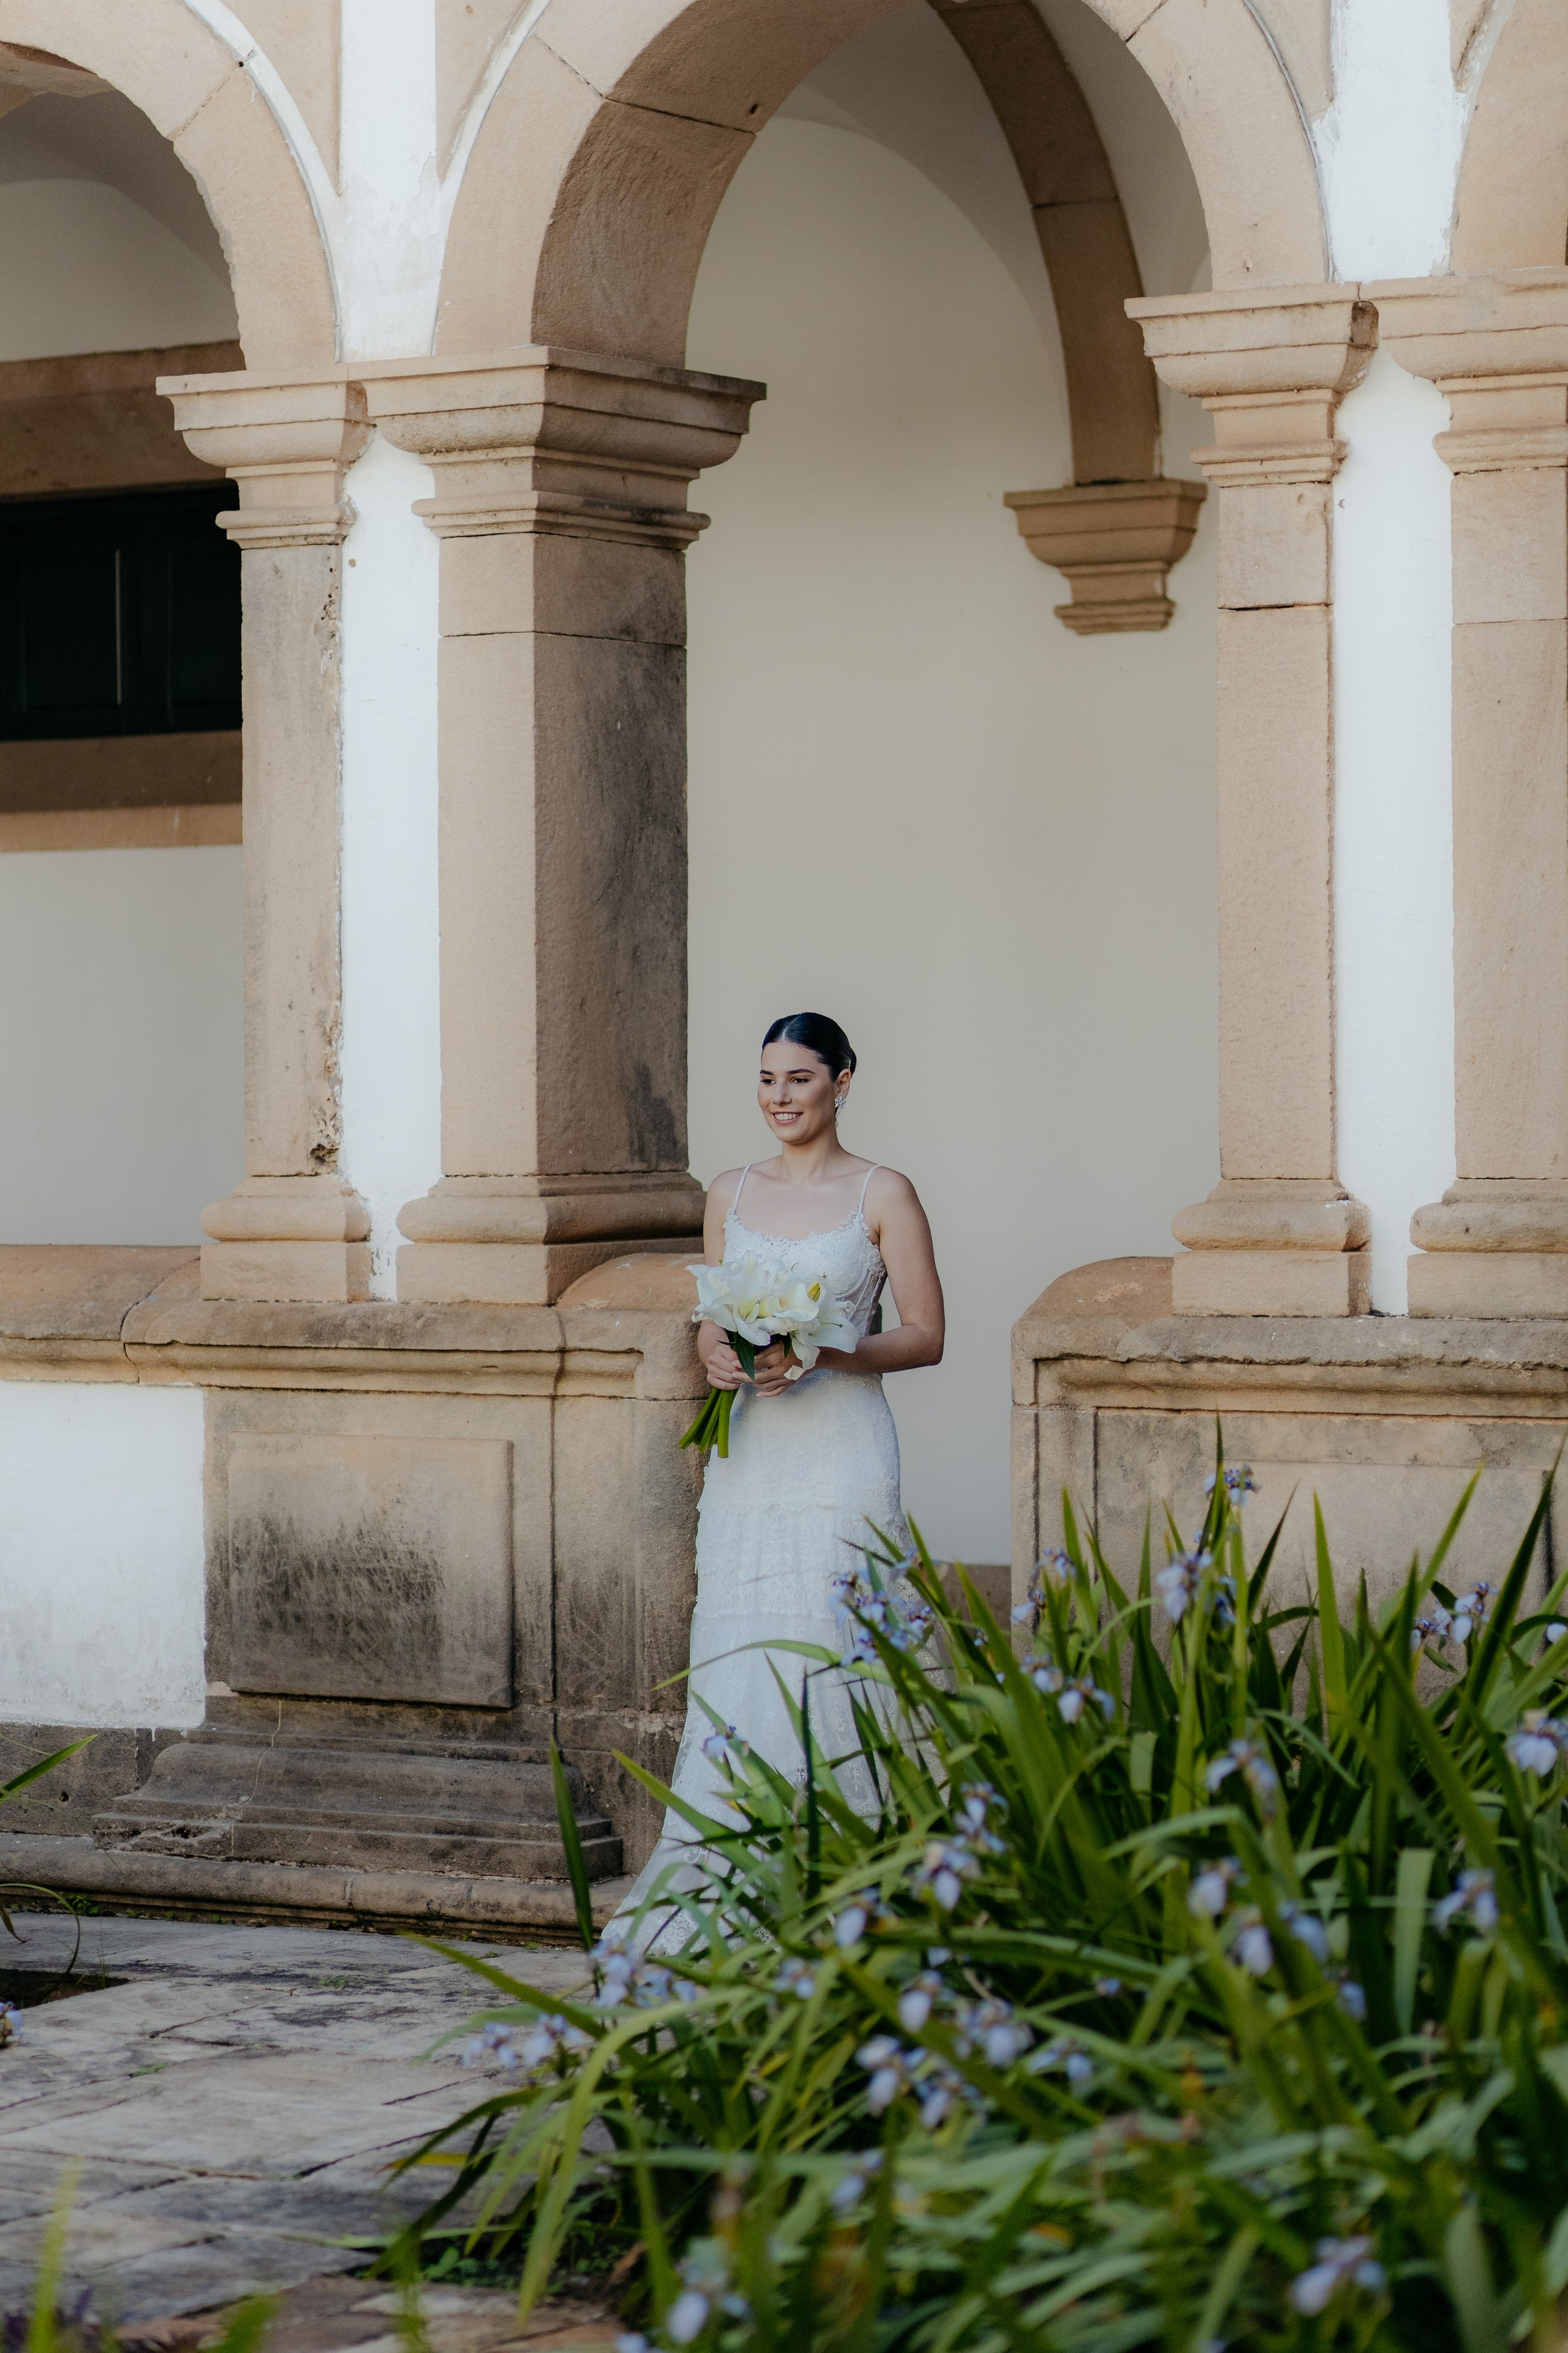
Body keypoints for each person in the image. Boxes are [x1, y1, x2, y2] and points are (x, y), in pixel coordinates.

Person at [619, 1011, 945, 1941]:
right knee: (748, 1643)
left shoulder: (884, 1192)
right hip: (753, 1456)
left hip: (842, 1450)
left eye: (799, 1079)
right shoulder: (730, 1190)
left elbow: (926, 1334)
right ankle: (735, 1890)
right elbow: (715, 1311)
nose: (779, 1098)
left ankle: (863, 1890)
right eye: (766, 1080)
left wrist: (824, 1349)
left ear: (843, 1082)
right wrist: (717, 1351)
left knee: (842, 1640)